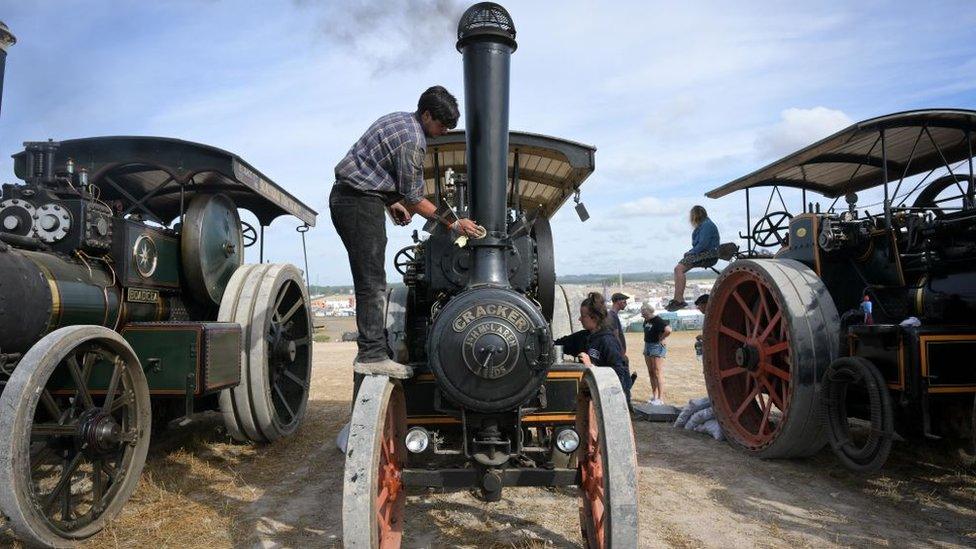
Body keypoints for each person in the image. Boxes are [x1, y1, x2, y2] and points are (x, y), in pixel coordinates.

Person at [331, 86, 483, 379]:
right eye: (441, 125)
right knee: (372, 281)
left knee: (371, 278)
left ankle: (373, 350)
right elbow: (415, 198)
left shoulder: (398, 120)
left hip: (355, 197)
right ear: (427, 115)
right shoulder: (413, 143)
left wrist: (390, 201)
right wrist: (454, 224)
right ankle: (371, 354)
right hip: (358, 202)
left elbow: (372, 167)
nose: (443, 131)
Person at [554, 292, 632, 405]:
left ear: (594, 317)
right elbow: (559, 344)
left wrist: (592, 367)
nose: (580, 319)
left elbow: (618, 375)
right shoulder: (583, 337)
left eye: (583, 316)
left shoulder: (608, 341)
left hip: (606, 402)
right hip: (588, 398)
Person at [667, 205, 720, 312]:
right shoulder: (704, 225)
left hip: (708, 254)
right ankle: (678, 298)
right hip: (706, 253)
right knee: (678, 269)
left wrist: (691, 252)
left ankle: (678, 299)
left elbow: (703, 244)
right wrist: (691, 252)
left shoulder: (706, 225)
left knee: (679, 269)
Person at [642, 304, 671, 405]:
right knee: (651, 372)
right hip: (647, 346)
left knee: (657, 372)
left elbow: (668, 330)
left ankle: (660, 398)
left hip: (656, 347)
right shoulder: (646, 320)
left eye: (643, 311)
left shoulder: (657, 320)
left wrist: (662, 338)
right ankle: (654, 396)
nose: (641, 313)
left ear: (648, 311)